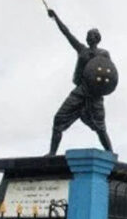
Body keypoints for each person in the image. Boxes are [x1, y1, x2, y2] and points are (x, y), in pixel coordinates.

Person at [46, 8, 113, 153]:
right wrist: (56, 17)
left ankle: (110, 153)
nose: (88, 37)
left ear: (97, 38)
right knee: (59, 119)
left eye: (91, 36)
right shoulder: (82, 50)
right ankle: (52, 153)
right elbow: (67, 33)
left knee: (100, 128)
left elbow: (109, 75)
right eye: (87, 35)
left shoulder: (104, 54)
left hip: (95, 95)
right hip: (80, 91)